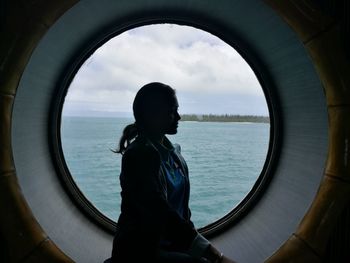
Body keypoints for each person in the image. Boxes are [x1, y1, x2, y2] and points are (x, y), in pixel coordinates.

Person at [110, 82, 236, 263]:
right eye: (172, 111)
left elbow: (181, 213)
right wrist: (216, 256)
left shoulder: (174, 155)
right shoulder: (137, 156)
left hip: (170, 246)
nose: (178, 116)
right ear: (151, 115)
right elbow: (160, 213)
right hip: (141, 252)